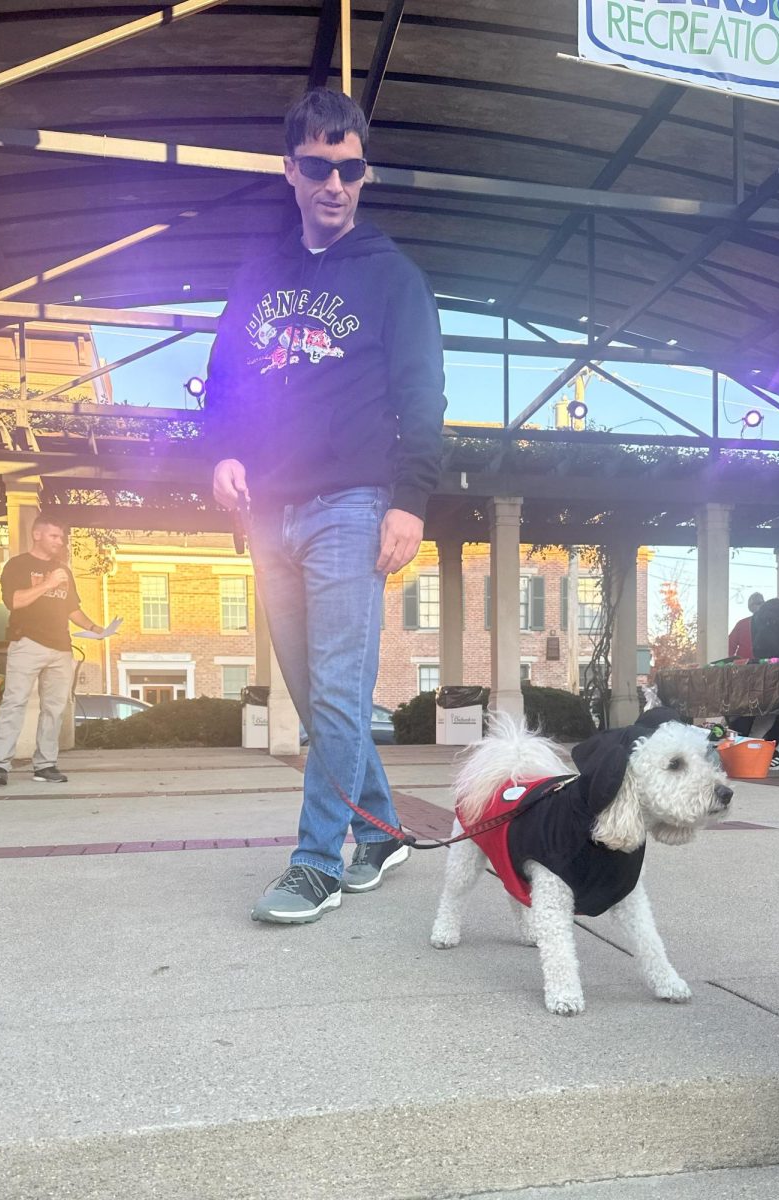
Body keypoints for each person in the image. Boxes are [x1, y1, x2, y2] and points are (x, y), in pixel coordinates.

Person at [207, 88, 447, 924]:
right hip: (267, 509)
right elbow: (226, 380)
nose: (334, 183)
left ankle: (318, 859)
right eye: (317, 167)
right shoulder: (261, 271)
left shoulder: (393, 277)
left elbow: (422, 396)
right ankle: (380, 830)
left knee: (339, 692)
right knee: (313, 695)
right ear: (291, 170)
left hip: (351, 502)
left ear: (363, 172)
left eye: (348, 169)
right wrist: (224, 451)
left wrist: (408, 500)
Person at [0, 515, 104, 786]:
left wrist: (96, 628)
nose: (59, 541)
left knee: (54, 708)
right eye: (54, 536)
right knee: (15, 702)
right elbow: (14, 601)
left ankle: (45, 764)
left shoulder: (64, 570)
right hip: (26, 642)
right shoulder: (17, 565)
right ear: (37, 534)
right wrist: (48, 583)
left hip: (61, 647)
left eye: (61, 538)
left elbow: (72, 608)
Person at [728, 592, 763, 659]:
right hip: (744, 665)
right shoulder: (741, 624)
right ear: (750, 606)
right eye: (758, 603)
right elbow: (730, 645)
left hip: (765, 665)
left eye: (762, 603)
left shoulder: (770, 624)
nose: (761, 605)